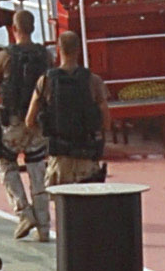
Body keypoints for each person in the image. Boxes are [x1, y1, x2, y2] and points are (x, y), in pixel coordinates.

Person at [0, 5, 50, 239]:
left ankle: (23, 212)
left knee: (6, 165)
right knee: (37, 169)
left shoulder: (4, 56)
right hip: (37, 123)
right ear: (33, 28)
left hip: (14, 122)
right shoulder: (45, 55)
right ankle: (44, 226)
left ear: (13, 29)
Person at [24, 28, 108, 188]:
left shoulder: (46, 81)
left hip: (59, 158)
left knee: (62, 208)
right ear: (79, 50)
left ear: (58, 49)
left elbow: (29, 120)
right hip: (87, 156)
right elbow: (106, 120)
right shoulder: (93, 80)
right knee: (89, 205)